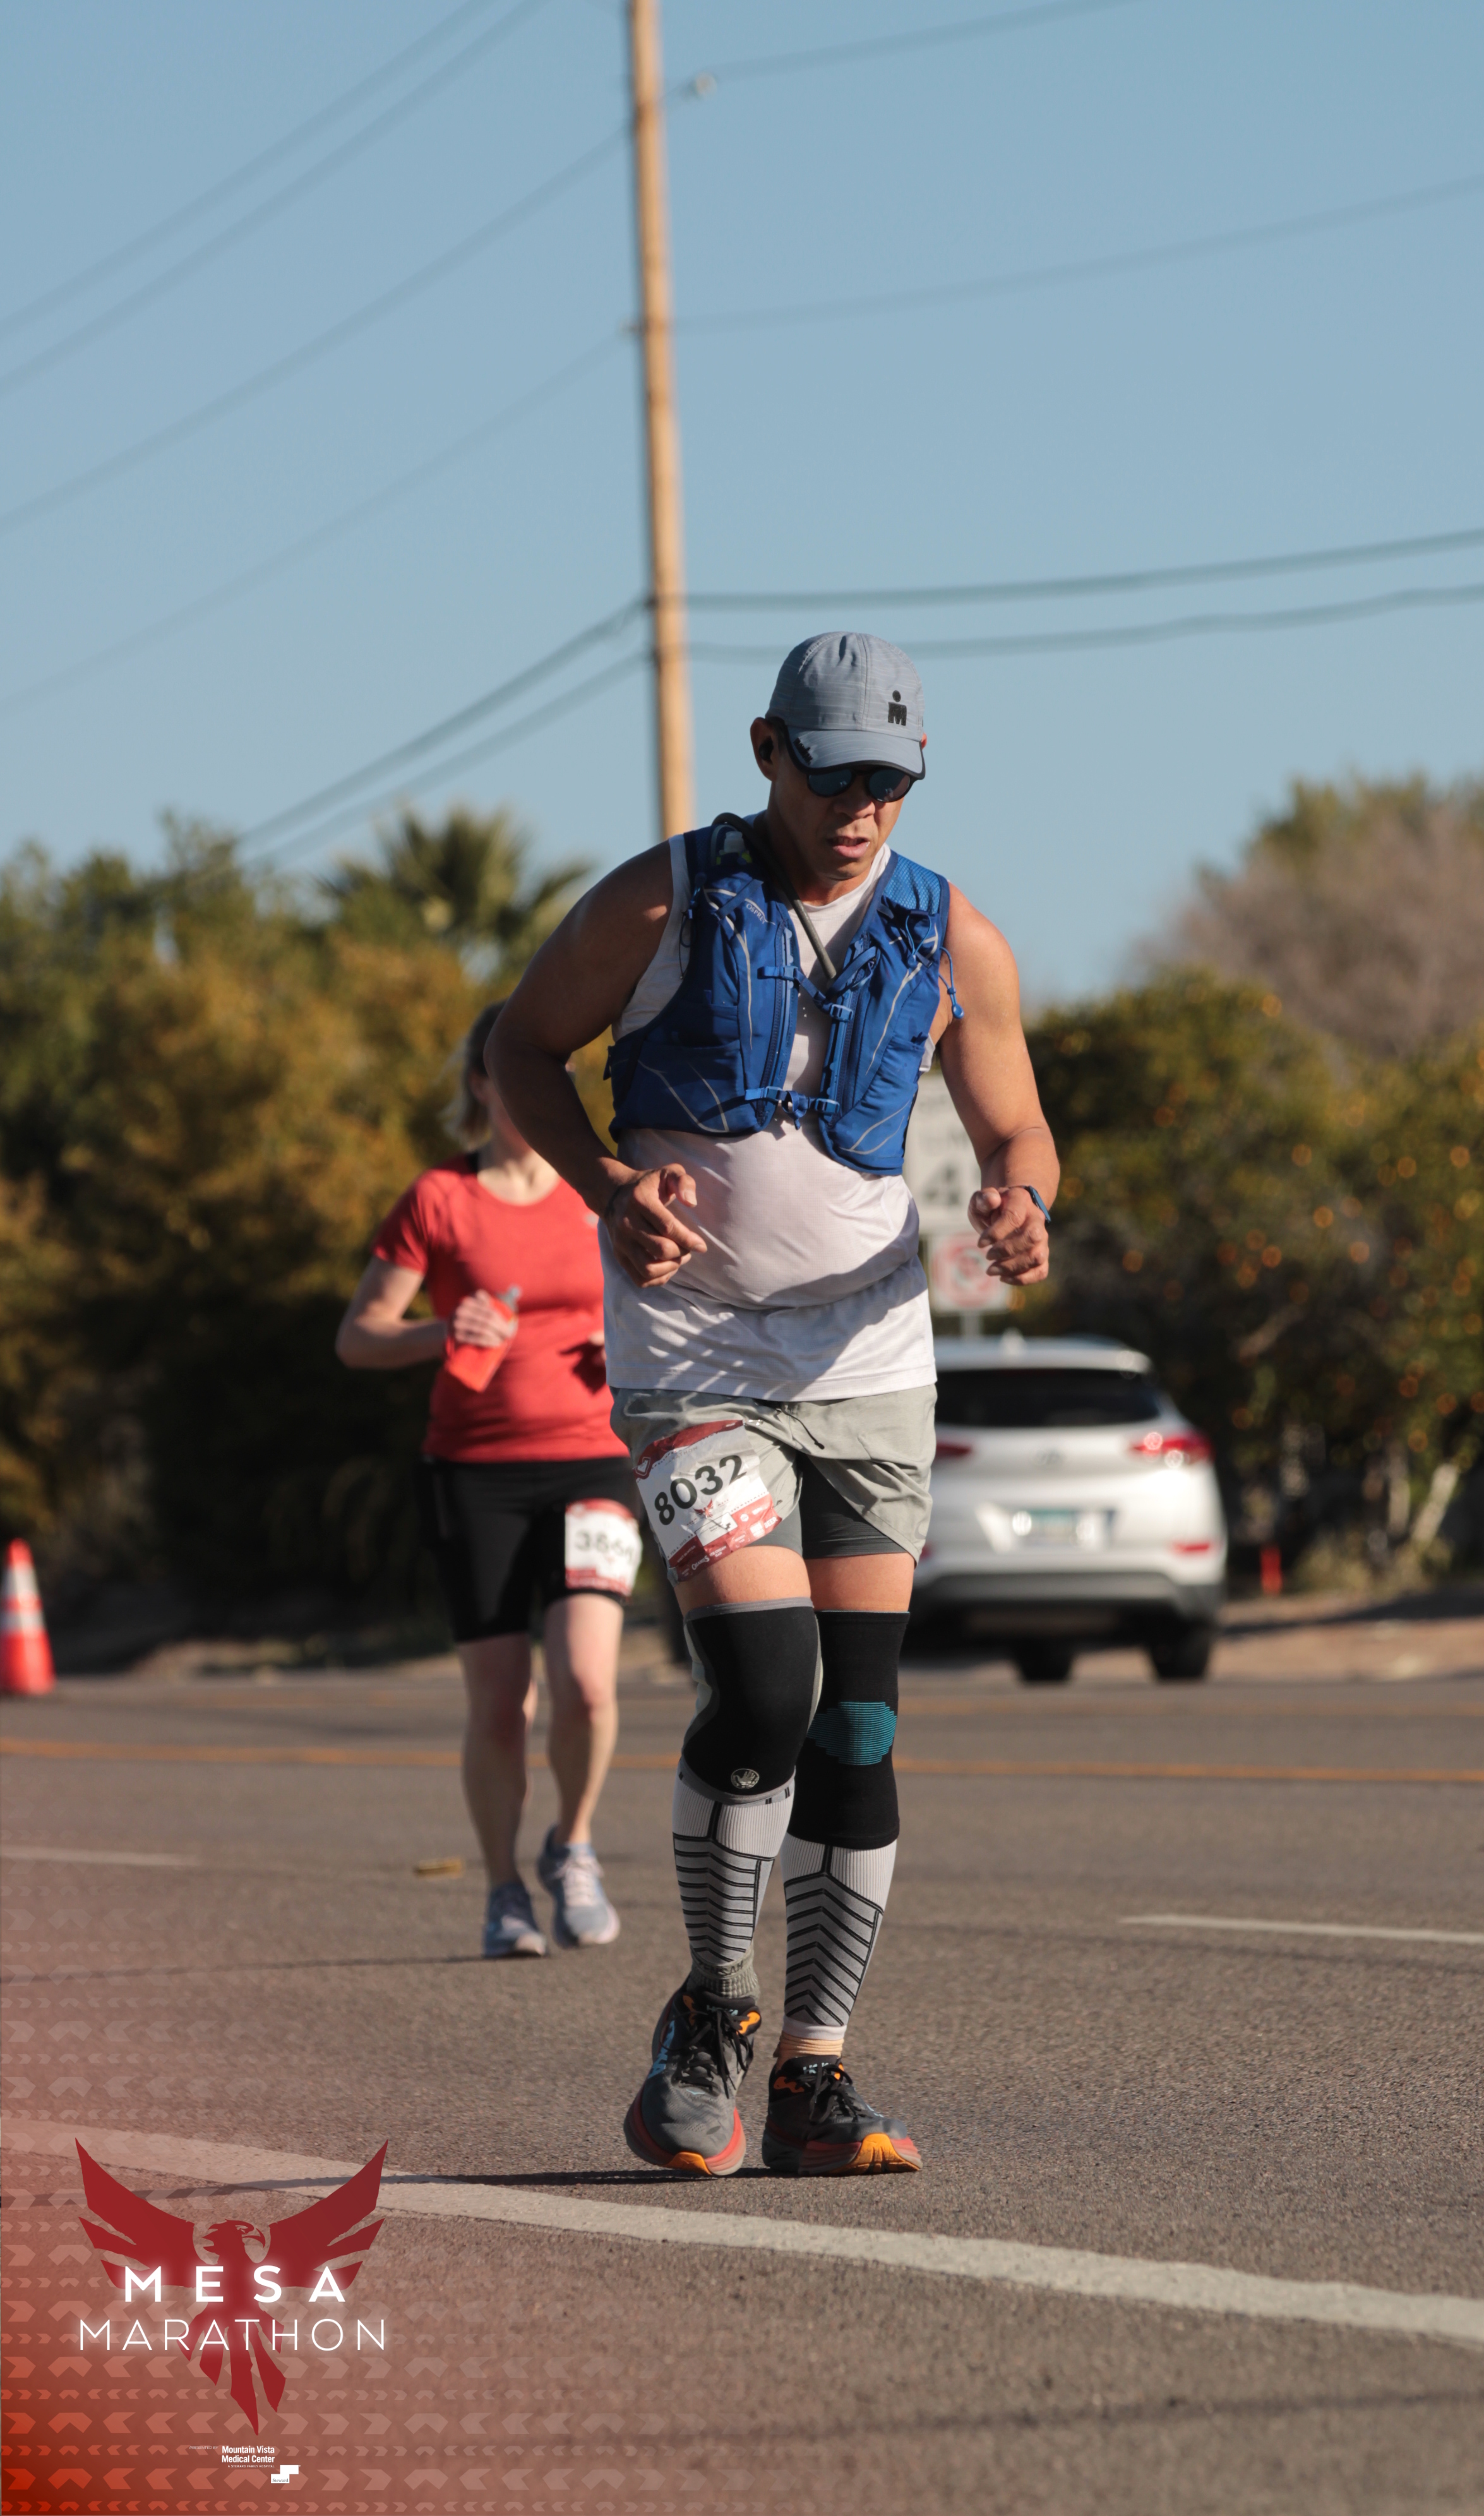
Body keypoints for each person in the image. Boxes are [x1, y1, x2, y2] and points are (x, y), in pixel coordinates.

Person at [489, 632, 1056, 2176]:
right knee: (763, 1693)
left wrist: (1019, 1201)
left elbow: (1017, 1126)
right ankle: (709, 2011)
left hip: (868, 1367)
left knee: (857, 1725)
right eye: (834, 776)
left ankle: (813, 2073)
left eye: (891, 781)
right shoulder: (659, 902)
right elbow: (520, 1049)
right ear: (766, 751)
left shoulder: (953, 934)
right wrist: (603, 1183)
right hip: (695, 1363)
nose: (861, 809)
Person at [336, 1001, 642, 1959]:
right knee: (503, 1703)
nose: (542, 1092)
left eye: (557, 1074)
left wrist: (629, 1344)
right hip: (474, 1474)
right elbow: (357, 1338)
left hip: (595, 1460)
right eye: (519, 1076)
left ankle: (574, 1846)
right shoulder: (440, 1198)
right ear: (483, 1085)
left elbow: (675, 1289)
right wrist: (442, 1330)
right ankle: (505, 1890)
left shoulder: (602, 1190)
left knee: (587, 1683)